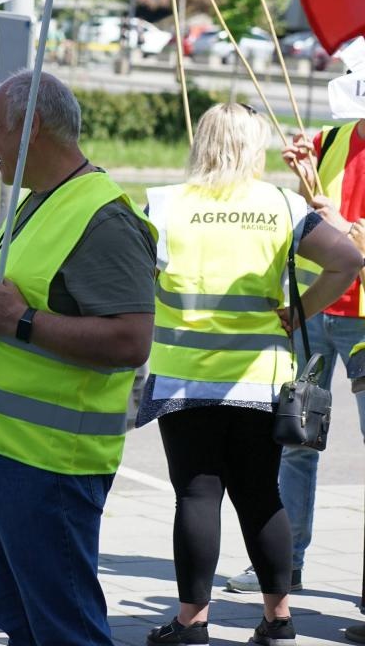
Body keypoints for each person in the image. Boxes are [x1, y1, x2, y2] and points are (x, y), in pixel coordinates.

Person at [0, 69, 157, 646]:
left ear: (32, 131)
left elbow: (131, 341)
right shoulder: (38, 202)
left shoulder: (101, 217)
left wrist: (25, 323)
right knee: (20, 621)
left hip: (47, 467)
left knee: (64, 629)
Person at [139, 103, 361, 646]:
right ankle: (279, 619)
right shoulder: (282, 205)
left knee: (195, 498)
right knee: (262, 495)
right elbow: (349, 261)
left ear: (202, 142)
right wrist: (303, 309)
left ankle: (192, 624)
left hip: (184, 378)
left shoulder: (164, 205)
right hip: (260, 378)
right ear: (252, 146)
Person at [227, 116, 365, 594]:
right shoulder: (331, 139)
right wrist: (303, 176)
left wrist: (346, 226)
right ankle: (285, 565)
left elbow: (342, 230)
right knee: (296, 440)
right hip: (316, 308)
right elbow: (316, 222)